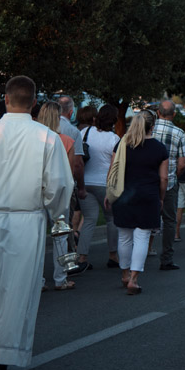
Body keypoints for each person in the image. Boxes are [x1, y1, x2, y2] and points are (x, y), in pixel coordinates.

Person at [0, 76, 73, 370]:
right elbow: (60, 186)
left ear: (7, 99)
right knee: (18, 291)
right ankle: (1, 359)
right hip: (28, 220)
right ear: (34, 103)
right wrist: (57, 213)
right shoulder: (46, 137)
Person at [106, 110, 168, 294]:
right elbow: (163, 178)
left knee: (124, 236)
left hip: (124, 195)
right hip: (148, 196)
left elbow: (112, 171)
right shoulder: (159, 148)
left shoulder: (122, 144)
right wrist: (161, 197)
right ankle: (134, 278)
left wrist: (108, 193)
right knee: (142, 237)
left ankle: (124, 274)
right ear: (153, 126)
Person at [37, 101, 78, 291]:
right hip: (60, 192)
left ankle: (38, 280)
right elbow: (69, 171)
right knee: (60, 236)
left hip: (37, 191)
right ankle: (60, 278)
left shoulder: (33, 140)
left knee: (37, 237)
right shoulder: (65, 141)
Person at [78, 104, 120, 271]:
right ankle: (113, 255)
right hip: (104, 183)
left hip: (85, 181)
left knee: (88, 220)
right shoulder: (113, 139)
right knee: (111, 219)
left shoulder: (84, 133)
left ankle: (82, 257)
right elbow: (114, 165)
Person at [152, 100, 185, 270]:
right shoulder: (179, 133)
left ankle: (139, 252)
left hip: (148, 181)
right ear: (173, 114)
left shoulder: (148, 129)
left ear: (158, 112)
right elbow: (182, 163)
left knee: (143, 218)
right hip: (169, 181)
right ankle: (166, 258)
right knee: (169, 221)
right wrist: (174, 175)